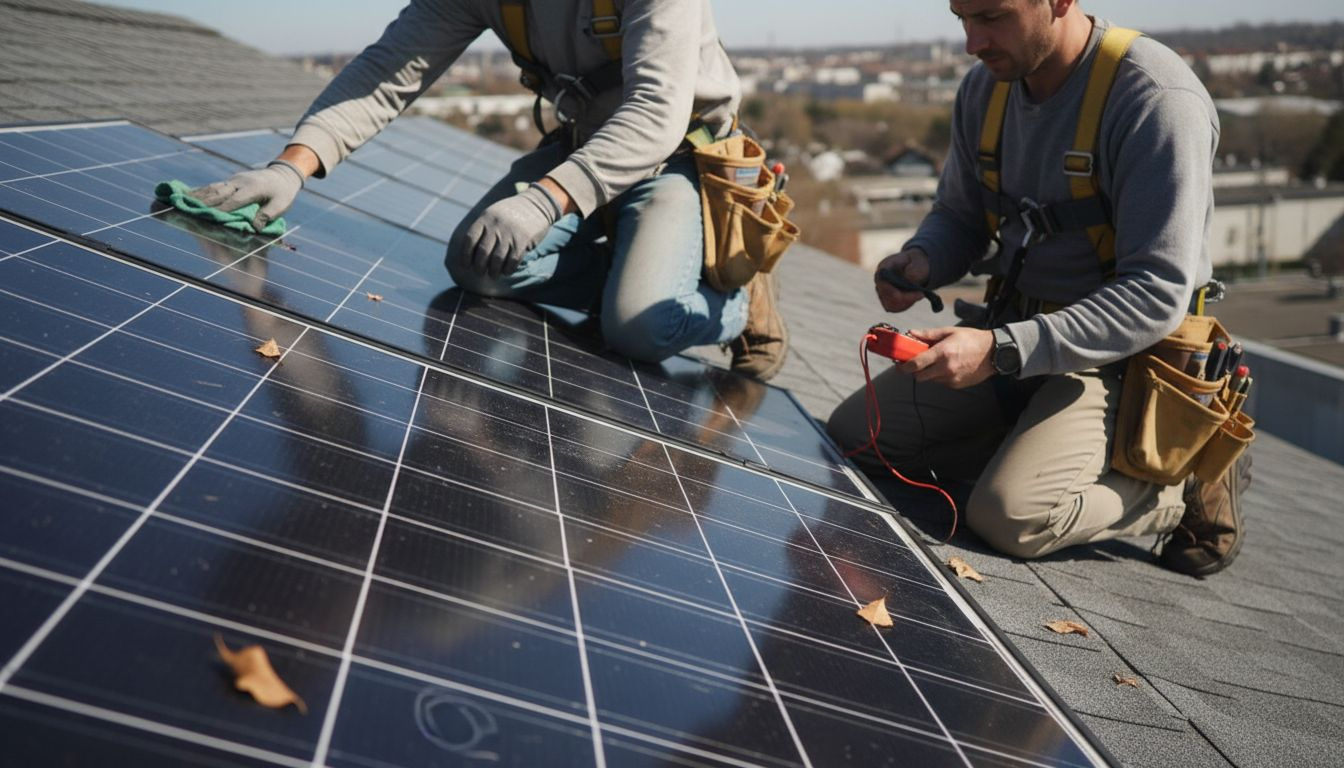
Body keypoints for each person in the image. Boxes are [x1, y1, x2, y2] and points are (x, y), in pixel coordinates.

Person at [827, 0, 1248, 576]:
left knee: (1010, 515)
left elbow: (1156, 293)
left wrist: (1000, 350)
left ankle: (1175, 488)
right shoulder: (987, 89)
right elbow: (961, 216)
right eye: (962, 19)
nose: (973, 42)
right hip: (1014, 336)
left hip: (1123, 356)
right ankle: (1033, 445)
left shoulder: (1155, 98)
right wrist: (925, 259)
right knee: (858, 438)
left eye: (992, 16)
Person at [190, 0, 788, 380]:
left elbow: (657, 113)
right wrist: (291, 166)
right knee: (478, 266)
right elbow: (388, 71)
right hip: (584, 147)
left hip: (679, 157)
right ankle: (640, 267)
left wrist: (542, 200)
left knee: (635, 328)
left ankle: (739, 303)